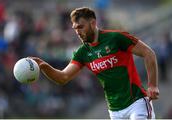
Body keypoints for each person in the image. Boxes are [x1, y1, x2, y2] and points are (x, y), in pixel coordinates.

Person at [30, 7, 159, 119]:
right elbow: (63, 77)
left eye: (81, 27)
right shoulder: (82, 53)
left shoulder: (116, 38)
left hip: (136, 104)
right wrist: (43, 66)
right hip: (114, 111)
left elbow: (149, 53)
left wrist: (152, 85)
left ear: (93, 23)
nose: (78, 32)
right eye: (75, 29)